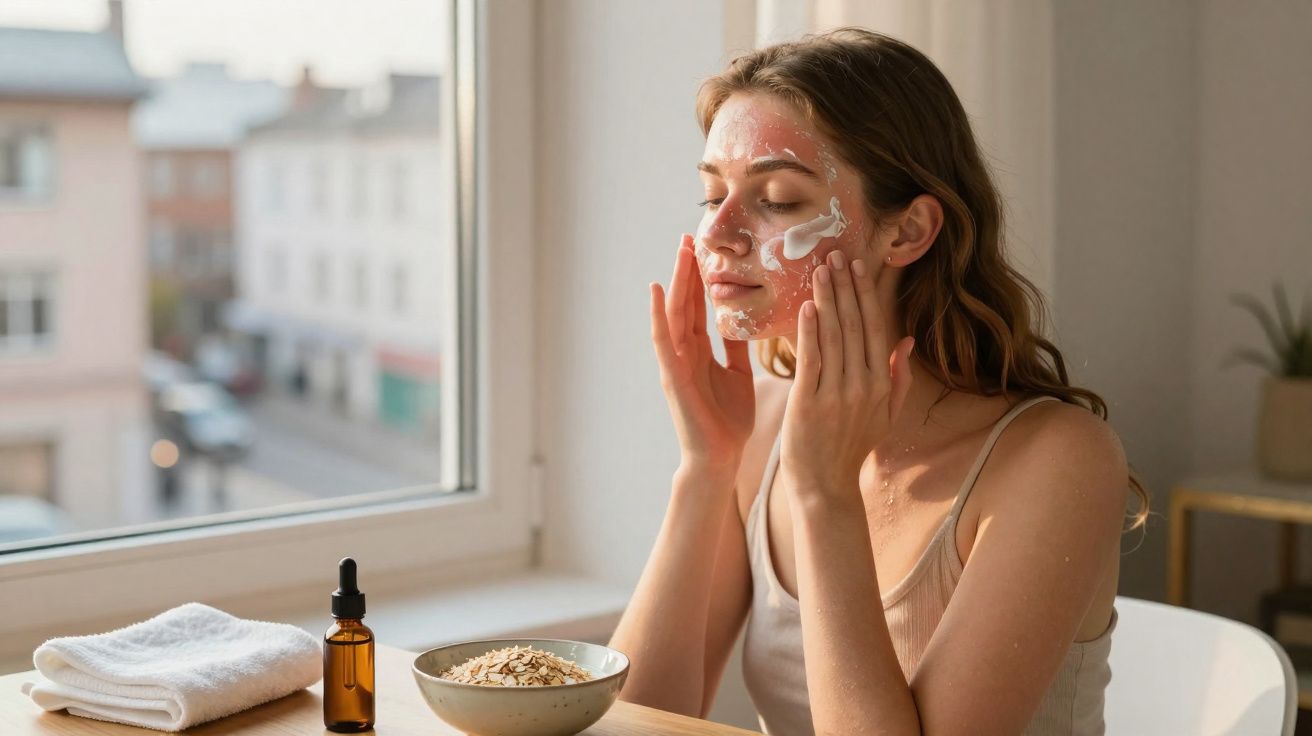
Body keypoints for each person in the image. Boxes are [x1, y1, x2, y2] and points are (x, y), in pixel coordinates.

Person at [608, 27, 1150, 736]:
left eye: (776, 199)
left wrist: (825, 495)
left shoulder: (1057, 461)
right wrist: (706, 467)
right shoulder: (765, 428)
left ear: (909, 232)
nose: (717, 235)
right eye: (713, 197)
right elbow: (629, 723)